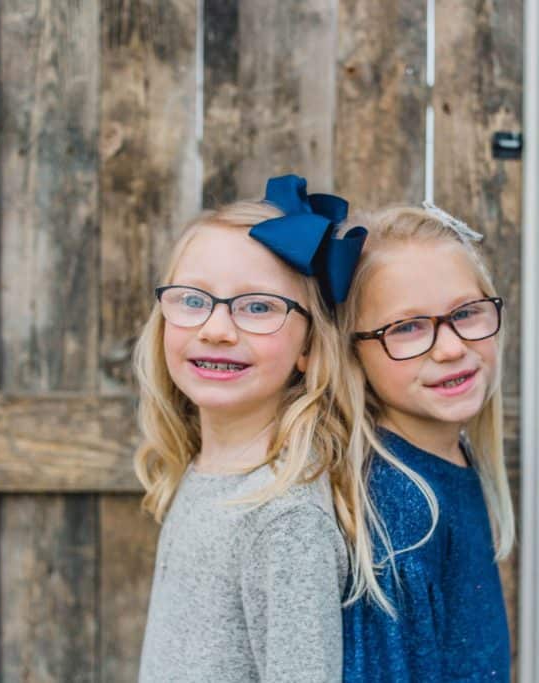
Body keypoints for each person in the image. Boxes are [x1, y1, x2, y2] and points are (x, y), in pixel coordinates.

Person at [135, 175, 366, 682]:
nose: (216, 329)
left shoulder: (285, 518)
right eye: (193, 300)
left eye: (258, 307)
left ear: (309, 348)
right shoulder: (204, 467)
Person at [337, 203, 515, 681]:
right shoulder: (400, 514)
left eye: (466, 313)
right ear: (353, 352)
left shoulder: (451, 454)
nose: (451, 346)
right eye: (408, 327)